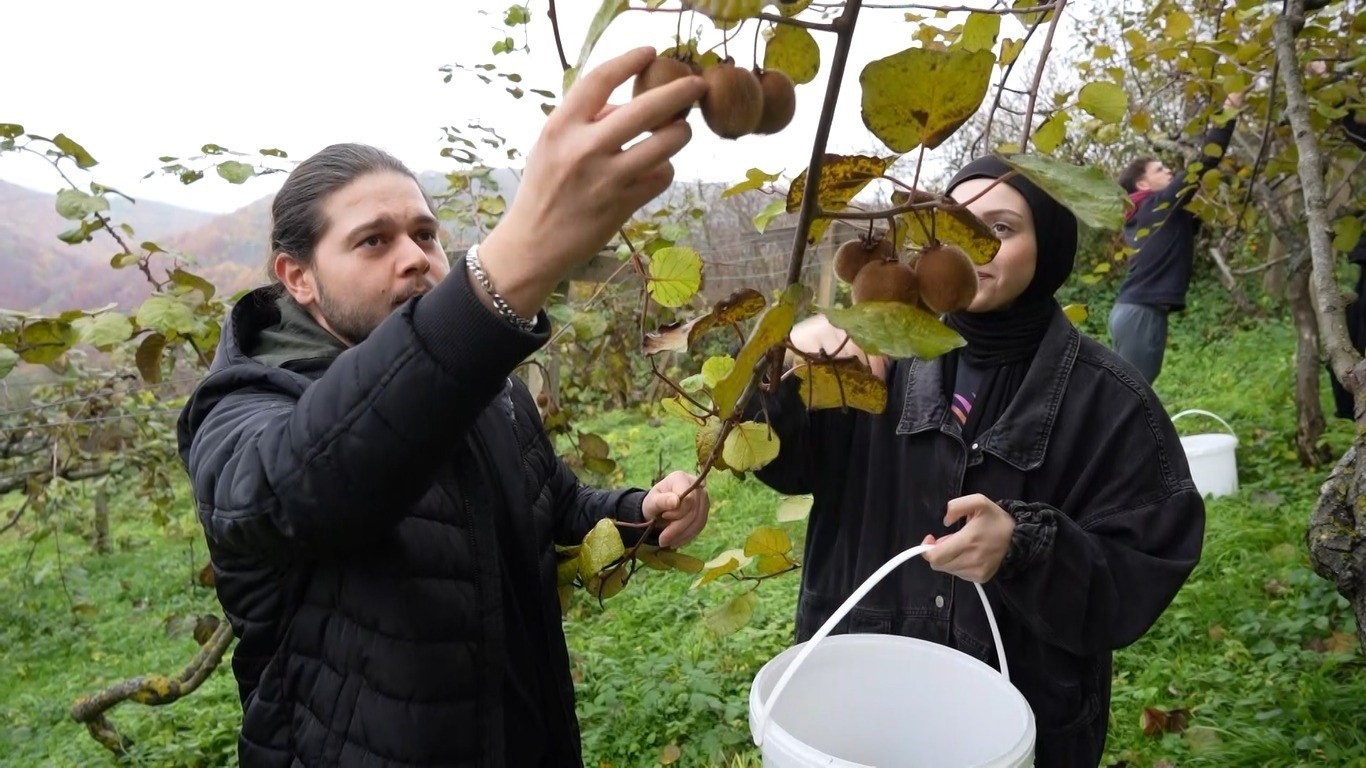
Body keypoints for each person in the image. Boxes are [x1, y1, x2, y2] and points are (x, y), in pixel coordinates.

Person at [175, 47, 711, 768]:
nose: (415, 258)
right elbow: (297, 485)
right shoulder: (243, 410)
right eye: (373, 241)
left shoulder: (489, 386)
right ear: (297, 278)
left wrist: (641, 514)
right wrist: (500, 277)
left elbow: (552, 508)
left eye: (425, 234)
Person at [747, 156, 1206, 767]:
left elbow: (1143, 564)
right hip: (863, 706)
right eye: (956, 226)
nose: (973, 249)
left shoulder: (1111, 402)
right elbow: (775, 456)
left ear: (1051, 242)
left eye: (1001, 229)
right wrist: (787, 361)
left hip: (1020, 721)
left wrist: (1026, 549)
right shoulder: (870, 361)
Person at [1108, 92, 1242, 384]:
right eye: (1159, 169)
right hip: (1141, 314)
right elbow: (1205, 161)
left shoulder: (1149, 213)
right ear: (1143, 184)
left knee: (1129, 393)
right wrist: (1230, 108)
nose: (1168, 169)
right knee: (1133, 395)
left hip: (1138, 313)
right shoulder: (1157, 205)